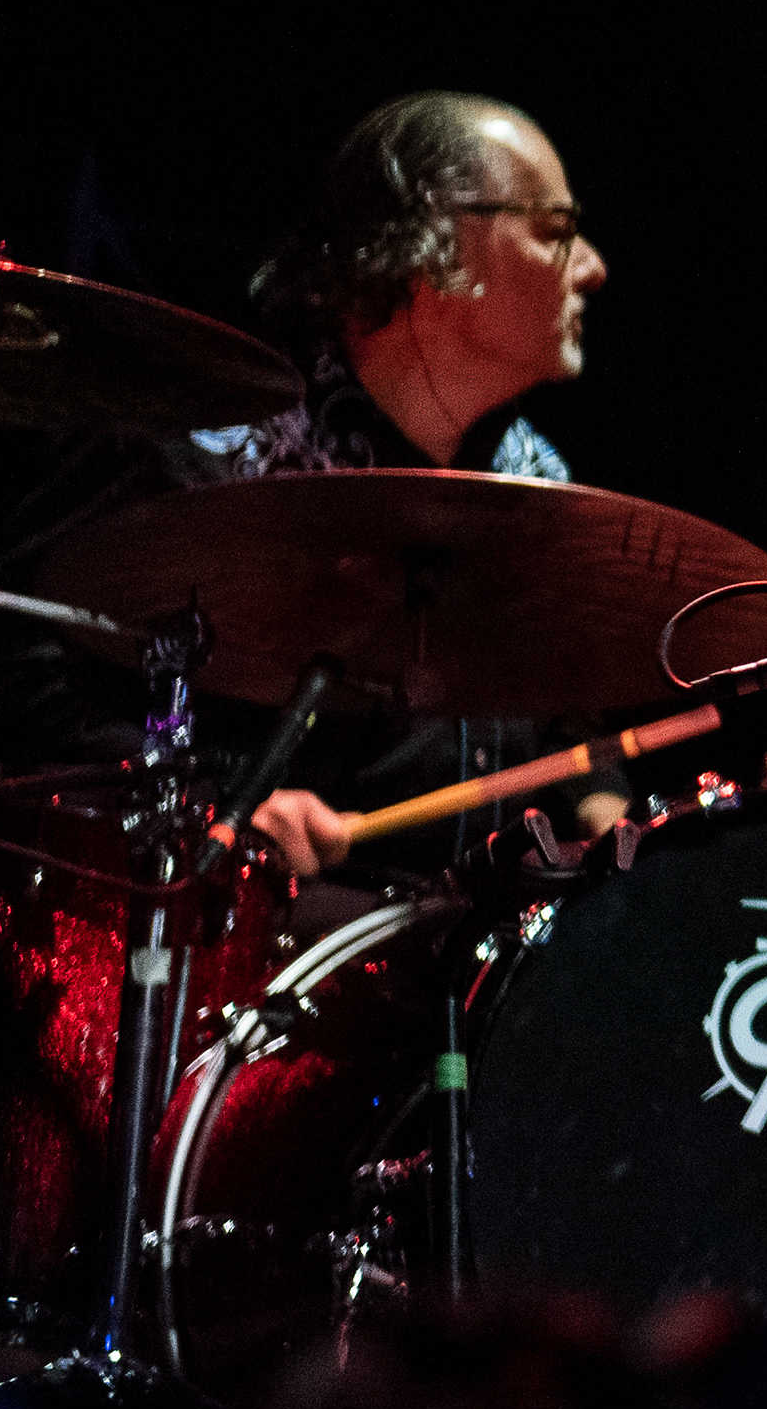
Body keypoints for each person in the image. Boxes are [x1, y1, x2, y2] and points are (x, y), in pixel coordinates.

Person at [206, 90, 623, 880]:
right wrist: (220, 804)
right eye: (556, 232)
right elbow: (30, 676)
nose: (594, 268)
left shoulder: (535, 478)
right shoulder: (227, 447)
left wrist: (612, 821)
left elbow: (574, 723)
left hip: (472, 942)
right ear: (439, 248)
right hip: (281, 937)